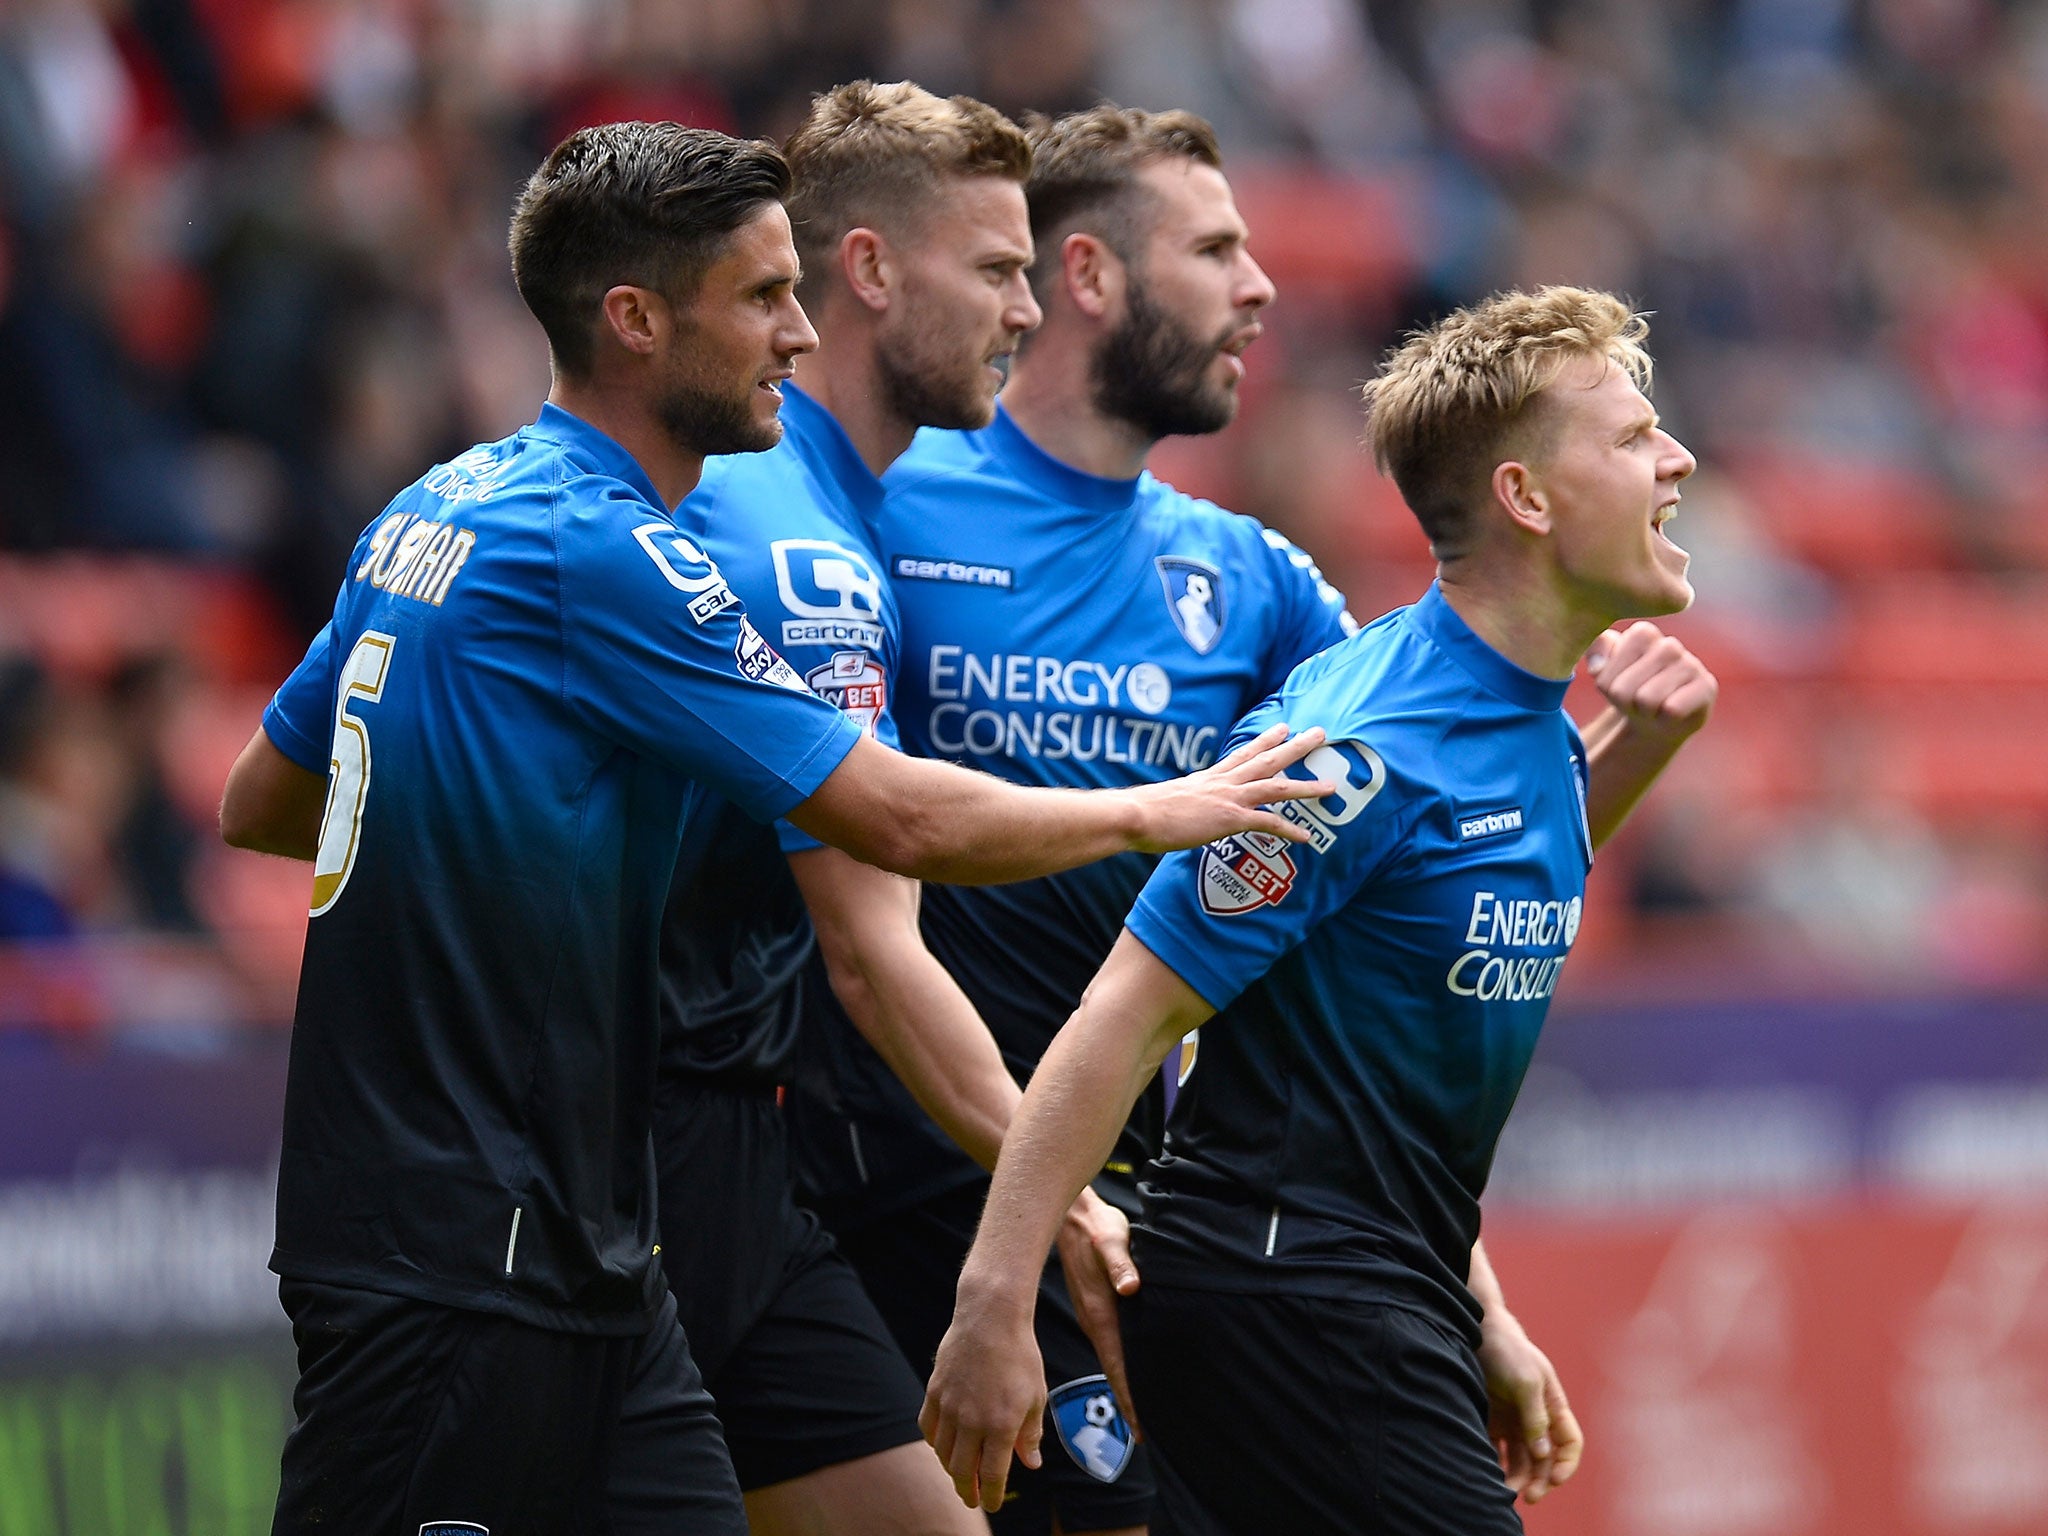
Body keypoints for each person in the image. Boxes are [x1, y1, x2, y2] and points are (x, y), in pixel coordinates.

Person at [216, 120, 1332, 1536]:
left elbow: (265, 795)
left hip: (600, 1232)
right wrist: (1161, 811)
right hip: (459, 1234)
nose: (799, 336)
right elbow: (892, 821)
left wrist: (500, 815)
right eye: (761, 298)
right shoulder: (621, 550)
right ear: (634, 321)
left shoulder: (437, 504)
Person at [791, 107, 1709, 1530]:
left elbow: (1419, 876)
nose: (1263, 286)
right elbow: (857, 874)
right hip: (886, 1178)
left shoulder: (1259, 581)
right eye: (1217, 247)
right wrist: (1008, 1254)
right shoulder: (877, 509)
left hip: (1134, 1214)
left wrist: (1483, 1308)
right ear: (1090, 273)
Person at [651, 81, 1060, 1536]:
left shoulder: (844, 507)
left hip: (743, 1170)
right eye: (1001, 271)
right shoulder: (788, 534)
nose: (1030, 310)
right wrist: (1063, 1212)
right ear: (872, 272)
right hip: (623, 1170)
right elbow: (873, 947)